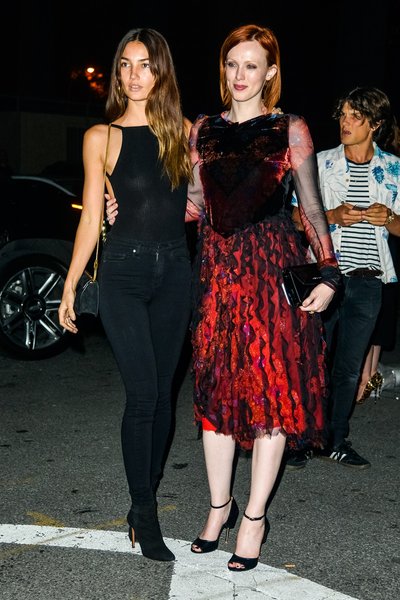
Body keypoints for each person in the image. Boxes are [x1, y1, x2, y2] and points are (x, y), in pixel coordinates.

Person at [107, 23, 341, 572]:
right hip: (216, 274)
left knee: (271, 393)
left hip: (271, 271)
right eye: (232, 64)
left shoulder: (290, 128)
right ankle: (220, 507)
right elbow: (190, 205)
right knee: (215, 395)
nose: (240, 75)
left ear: (270, 72)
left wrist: (330, 273)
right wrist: (129, 211)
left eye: (251, 65)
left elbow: (311, 209)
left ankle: (254, 517)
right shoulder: (202, 130)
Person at [58, 28, 193, 562]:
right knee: (142, 395)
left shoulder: (185, 132)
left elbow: (201, 205)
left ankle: (145, 494)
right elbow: (91, 214)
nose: (134, 75)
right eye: (125, 65)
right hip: (123, 274)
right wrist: (70, 284)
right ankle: (145, 510)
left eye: (145, 65)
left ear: (161, 72)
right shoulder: (102, 136)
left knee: (163, 398)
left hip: (176, 272)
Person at [290, 86, 400, 469]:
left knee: (349, 368)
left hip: (369, 281)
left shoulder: (394, 169)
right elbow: (294, 216)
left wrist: (390, 218)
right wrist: (332, 216)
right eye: (344, 114)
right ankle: (303, 438)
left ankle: (335, 440)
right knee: (311, 360)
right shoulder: (321, 163)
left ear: (376, 124)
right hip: (326, 277)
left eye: (356, 116)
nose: (346, 122)